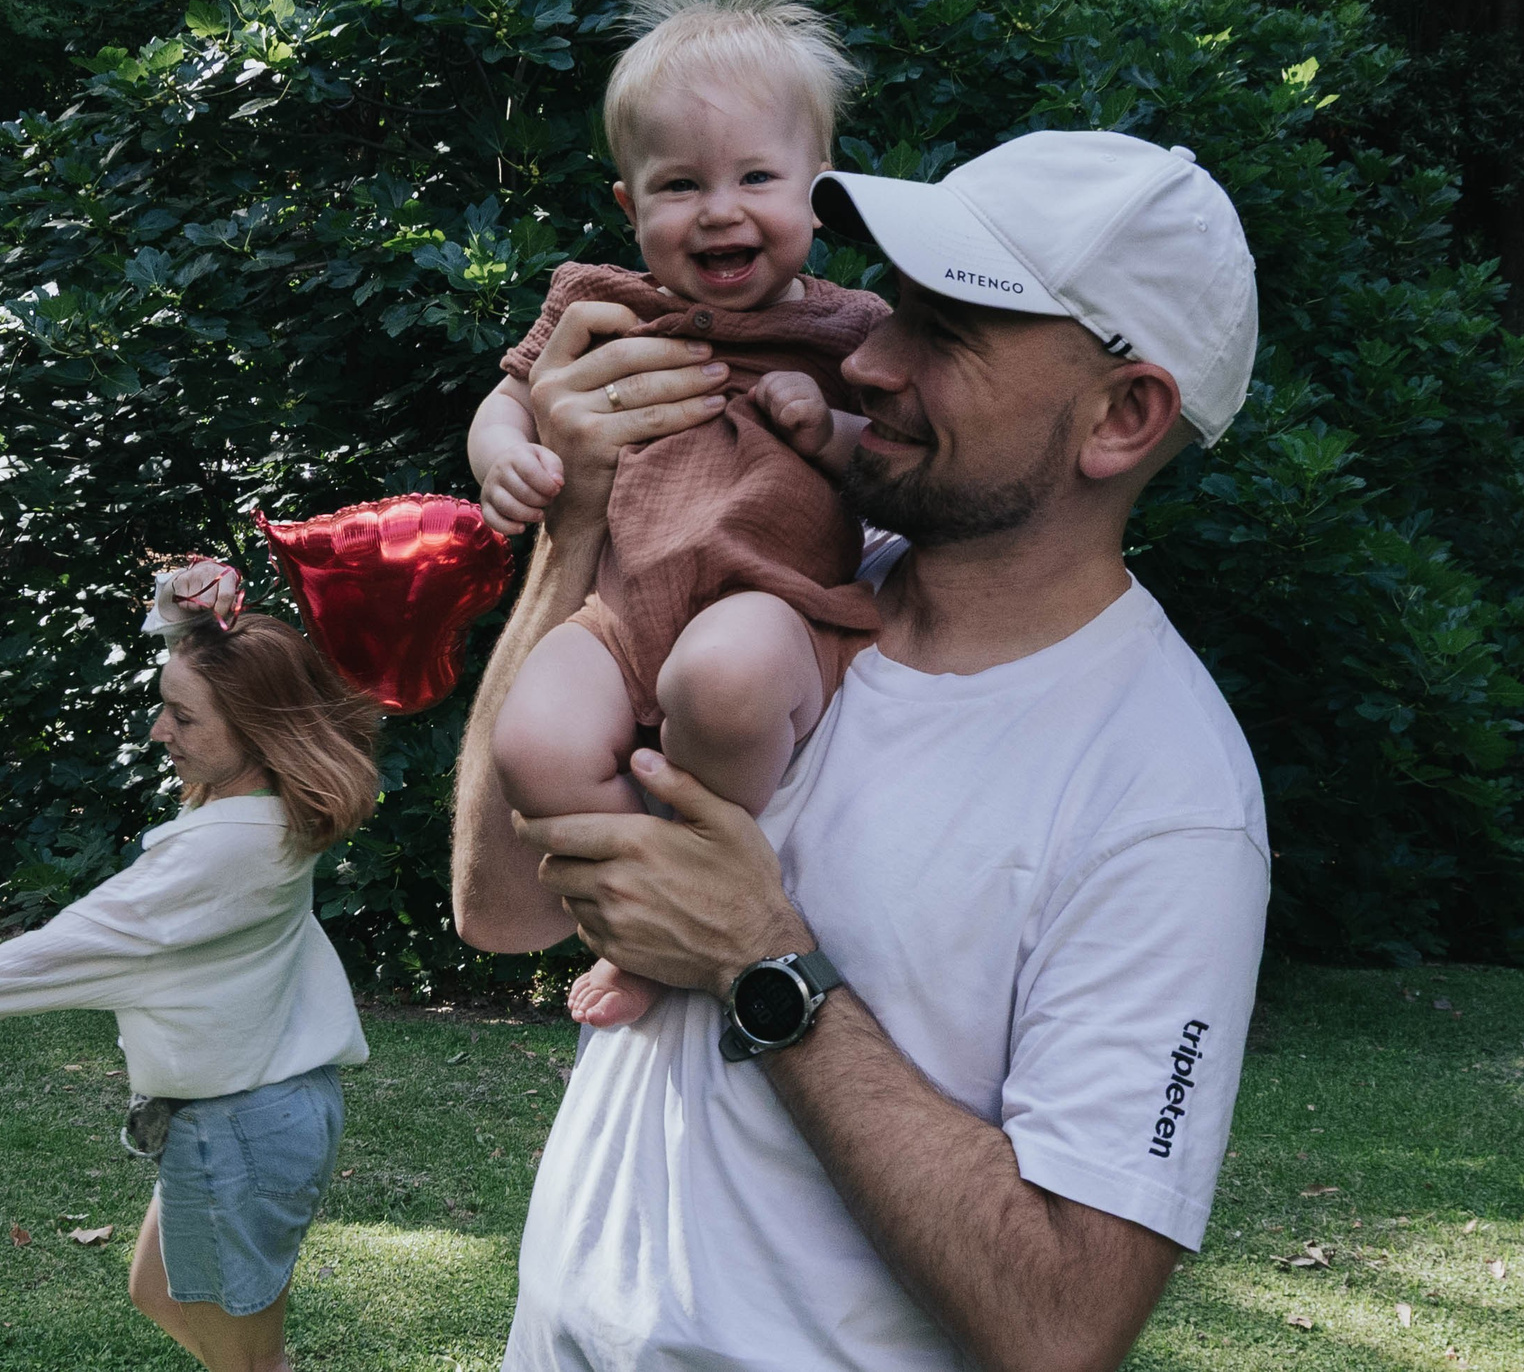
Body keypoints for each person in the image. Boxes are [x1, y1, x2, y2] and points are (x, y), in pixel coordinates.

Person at [453, 129, 1274, 1371]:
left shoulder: (1163, 797)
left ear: (1122, 415)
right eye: (891, 301)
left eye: (946, 332)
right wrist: (573, 527)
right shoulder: (778, 602)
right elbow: (498, 905)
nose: (871, 356)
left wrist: (764, 962)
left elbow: (1061, 1322)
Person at [0, 574, 373, 1372]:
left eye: (183, 716)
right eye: (165, 704)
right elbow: (208, 665)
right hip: (258, 1117)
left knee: (250, 1366)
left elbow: (43, 961)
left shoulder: (217, 853)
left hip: (240, 1131)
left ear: (255, 727)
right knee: (158, 1292)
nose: (159, 730)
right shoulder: (271, 807)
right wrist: (183, 603)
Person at [467, 0, 888, 1030]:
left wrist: (827, 429)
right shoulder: (603, 307)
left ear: (817, 190)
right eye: (679, 184)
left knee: (728, 676)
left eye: (756, 174)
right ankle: (642, 926)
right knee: (536, 741)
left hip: (772, 598)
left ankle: (708, 896)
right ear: (628, 204)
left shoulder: (854, 331)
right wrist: (501, 456)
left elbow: (897, 463)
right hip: (618, 608)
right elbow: (505, 397)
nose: (719, 209)